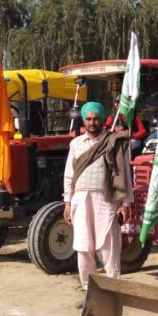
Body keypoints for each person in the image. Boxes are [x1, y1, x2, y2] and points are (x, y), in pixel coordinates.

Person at [63, 102, 133, 305]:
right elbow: (69, 175)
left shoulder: (114, 142)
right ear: (83, 121)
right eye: (88, 119)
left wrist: (125, 204)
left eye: (96, 119)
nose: (92, 122)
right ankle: (89, 292)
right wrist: (68, 202)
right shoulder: (75, 144)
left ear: (102, 120)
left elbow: (124, 176)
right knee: (84, 248)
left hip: (106, 201)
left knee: (109, 247)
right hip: (80, 201)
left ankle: (114, 293)